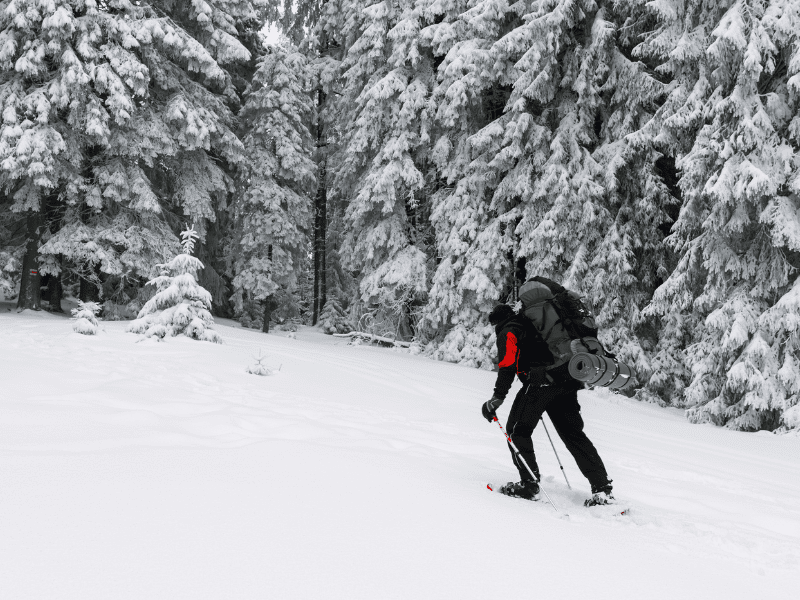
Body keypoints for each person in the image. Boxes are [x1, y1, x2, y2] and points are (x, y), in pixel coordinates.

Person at [482, 302, 615, 506]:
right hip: (566, 380)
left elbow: (507, 365)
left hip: (541, 383)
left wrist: (496, 399)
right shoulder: (531, 324)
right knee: (573, 435)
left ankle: (529, 485)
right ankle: (602, 489)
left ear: (496, 322)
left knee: (517, 430)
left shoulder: (509, 330)